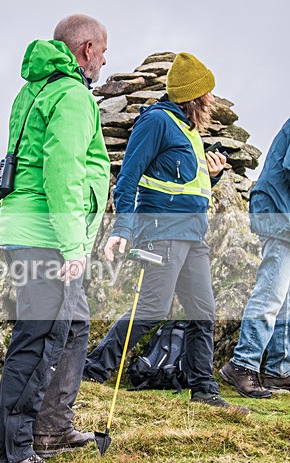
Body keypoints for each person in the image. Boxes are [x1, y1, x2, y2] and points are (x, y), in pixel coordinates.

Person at [82, 53, 247, 414]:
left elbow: (186, 188)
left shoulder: (188, 131)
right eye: (207, 92)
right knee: (152, 309)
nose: (212, 98)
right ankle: (92, 370)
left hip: (192, 236)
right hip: (161, 232)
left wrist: (214, 175)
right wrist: (123, 227)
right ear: (194, 96)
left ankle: (203, 389)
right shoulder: (156, 121)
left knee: (203, 312)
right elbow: (128, 177)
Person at [0, 14, 110, 463]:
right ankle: (11, 452)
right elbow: (63, 172)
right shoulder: (73, 95)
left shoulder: (35, 90)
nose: (104, 60)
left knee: (73, 326)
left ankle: (52, 427)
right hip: (48, 236)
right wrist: (73, 246)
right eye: (103, 51)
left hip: (27, 229)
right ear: (87, 49)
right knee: (37, 341)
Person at [219, 119, 290, 398]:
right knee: (271, 293)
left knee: (284, 299)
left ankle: (278, 371)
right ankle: (242, 364)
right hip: (278, 213)